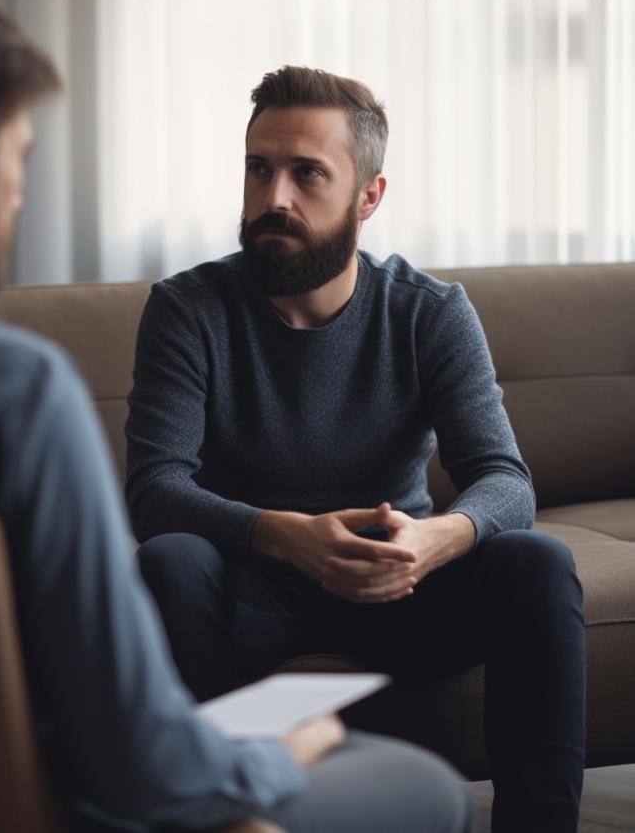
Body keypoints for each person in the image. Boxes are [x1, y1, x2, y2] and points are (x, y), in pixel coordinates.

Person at [0, 0, 470, 833]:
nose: (20, 197)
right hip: (38, 804)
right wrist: (283, 749)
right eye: (19, 159)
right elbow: (147, 765)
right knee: (427, 789)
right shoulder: (13, 394)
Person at [127, 66, 586, 833]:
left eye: (307, 173)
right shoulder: (188, 309)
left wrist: (436, 540)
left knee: (538, 563)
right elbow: (154, 488)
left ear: (369, 196)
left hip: (397, 583)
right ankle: (218, 818)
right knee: (172, 560)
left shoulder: (429, 312)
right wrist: (283, 534)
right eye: (259, 169)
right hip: (254, 591)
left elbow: (503, 479)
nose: (275, 197)